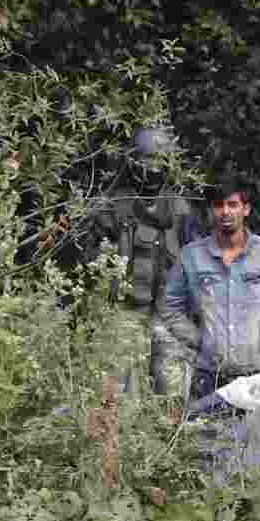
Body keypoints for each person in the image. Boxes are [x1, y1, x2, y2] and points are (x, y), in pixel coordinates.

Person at [89, 127, 203, 402]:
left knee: (173, 402)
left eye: (159, 162)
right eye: (148, 161)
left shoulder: (181, 210)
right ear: (134, 161)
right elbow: (90, 267)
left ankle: (170, 441)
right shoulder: (112, 207)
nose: (153, 169)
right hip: (123, 314)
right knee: (116, 403)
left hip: (169, 316)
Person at [160, 180, 260, 401]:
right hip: (207, 375)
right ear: (211, 210)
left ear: (246, 209)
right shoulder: (191, 255)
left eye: (233, 204)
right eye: (218, 205)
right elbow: (169, 307)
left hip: (257, 377)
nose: (225, 212)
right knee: (202, 434)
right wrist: (197, 339)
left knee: (254, 435)